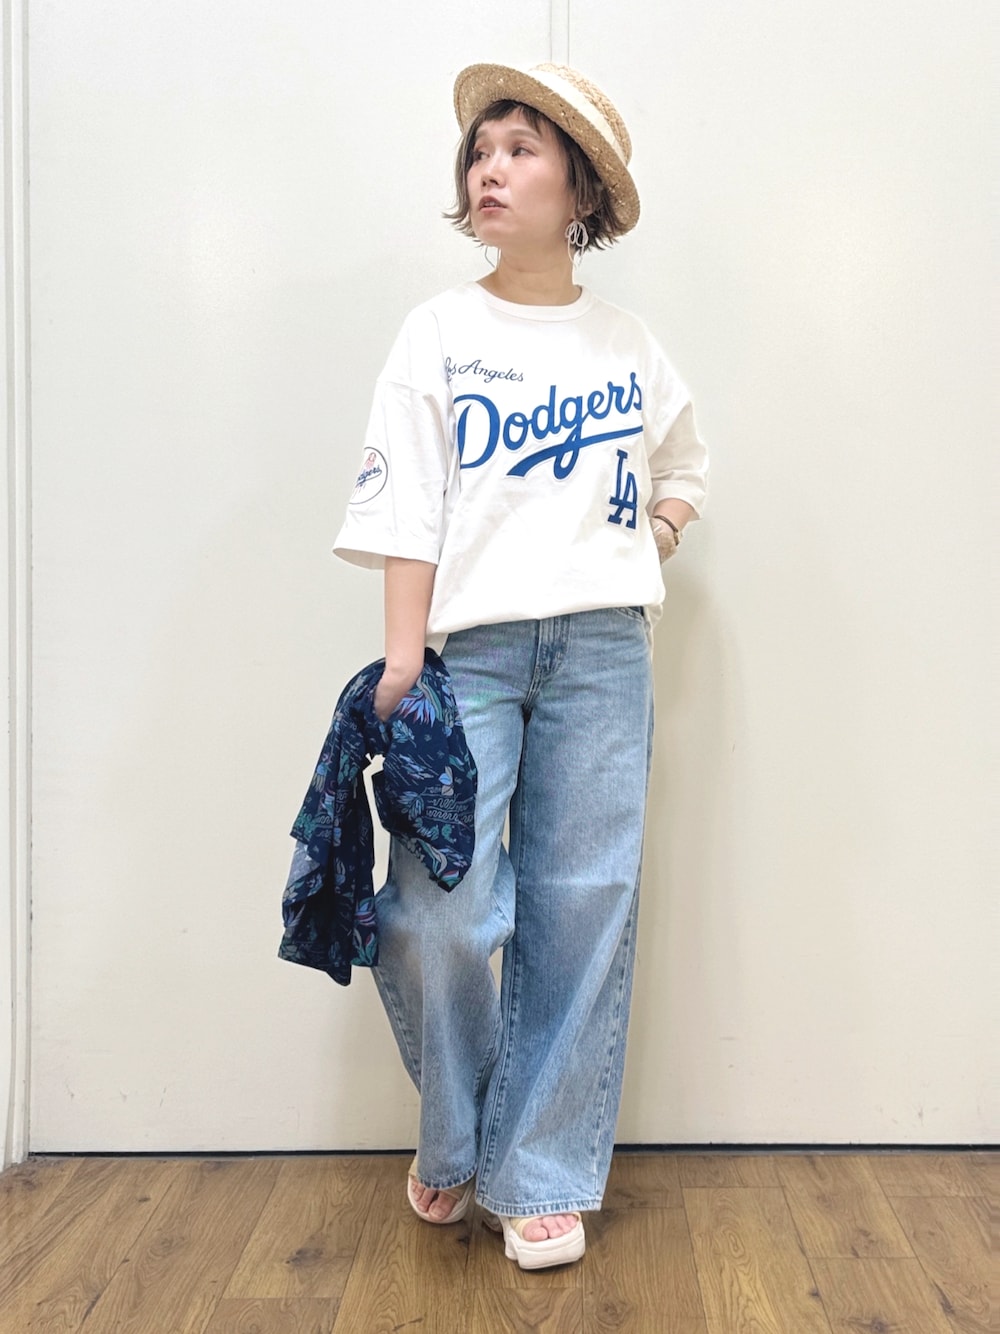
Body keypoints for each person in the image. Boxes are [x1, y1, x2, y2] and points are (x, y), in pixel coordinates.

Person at [332, 61, 708, 1269]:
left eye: (520, 148)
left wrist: (647, 538)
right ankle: (461, 1130)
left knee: (579, 903)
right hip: (474, 657)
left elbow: (683, 467)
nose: (489, 167)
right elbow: (406, 504)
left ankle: (537, 1170)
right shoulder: (439, 332)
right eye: (479, 151)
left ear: (580, 189)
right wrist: (401, 662)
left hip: (604, 652)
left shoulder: (627, 345)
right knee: (434, 915)